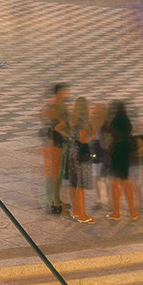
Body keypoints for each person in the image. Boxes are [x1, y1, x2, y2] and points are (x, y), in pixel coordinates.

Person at [59, 96, 97, 223]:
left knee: (73, 183)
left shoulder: (70, 118)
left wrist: (70, 136)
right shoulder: (84, 123)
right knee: (81, 184)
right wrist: (93, 135)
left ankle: (75, 210)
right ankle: (82, 215)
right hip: (81, 153)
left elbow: (59, 128)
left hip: (71, 151)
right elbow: (83, 139)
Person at [103, 101, 139, 221]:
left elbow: (108, 136)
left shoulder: (113, 123)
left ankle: (117, 212)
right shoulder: (127, 122)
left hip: (116, 154)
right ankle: (132, 212)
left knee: (115, 185)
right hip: (126, 154)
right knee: (126, 185)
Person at [40, 83, 71, 214]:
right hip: (57, 142)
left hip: (62, 141)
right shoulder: (54, 105)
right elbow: (46, 117)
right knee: (56, 173)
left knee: (59, 173)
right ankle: (55, 202)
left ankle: (57, 199)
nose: (67, 94)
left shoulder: (61, 105)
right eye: (65, 92)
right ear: (58, 92)